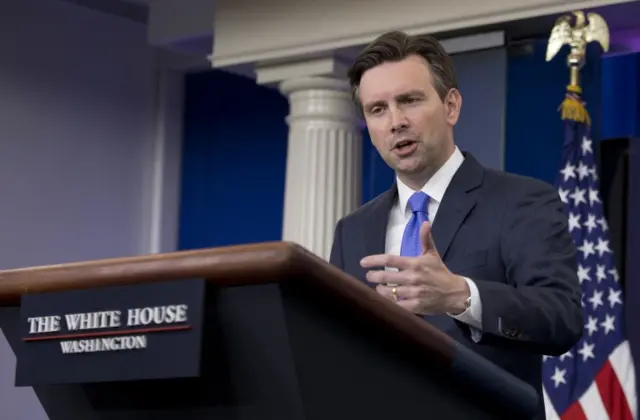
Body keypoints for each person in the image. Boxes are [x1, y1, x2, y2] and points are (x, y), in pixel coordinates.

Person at [329, 30, 583, 416]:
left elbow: (561, 317)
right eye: (377, 109)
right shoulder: (352, 229)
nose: (395, 121)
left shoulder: (521, 201)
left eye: (409, 100)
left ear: (451, 106)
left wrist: (461, 296)